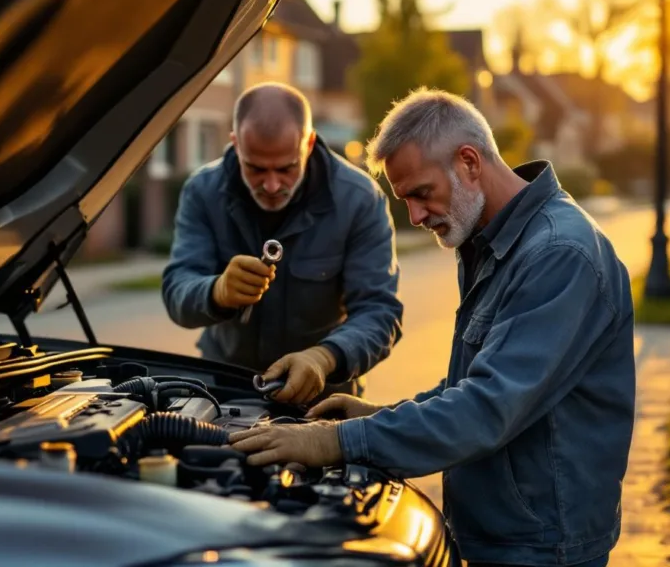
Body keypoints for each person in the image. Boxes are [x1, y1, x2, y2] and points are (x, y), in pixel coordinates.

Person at [229, 88, 636, 567]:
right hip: (504, 532)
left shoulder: (558, 255)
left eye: (421, 194)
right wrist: (379, 413)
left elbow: (487, 409)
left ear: (468, 162)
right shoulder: (496, 241)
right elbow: (474, 382)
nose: (416, 217)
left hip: (544, 547)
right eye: (405, 200)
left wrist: (336, 442)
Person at [161, 82, 404, 405]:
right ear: (235, 143)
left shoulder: (358, 200)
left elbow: (380, 312)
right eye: (256, 168)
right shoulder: (203, 192)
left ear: (309, 142)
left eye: (287, 168)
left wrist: (324, 358)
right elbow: (178, 287)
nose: (272, 185)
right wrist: (216, 291)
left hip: (322, 397)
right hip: (223, 390)